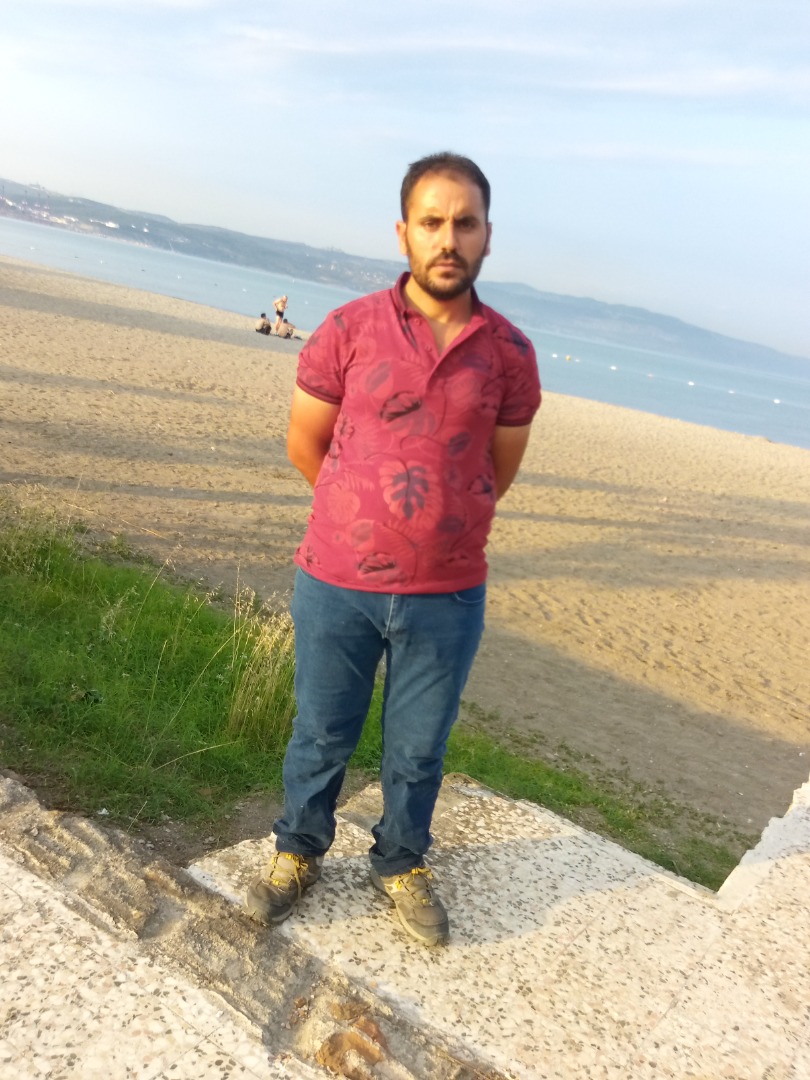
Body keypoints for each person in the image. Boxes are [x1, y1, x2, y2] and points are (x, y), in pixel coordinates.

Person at [246, 152, 541, 946]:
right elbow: (304, 442)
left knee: (419, 747)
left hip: (448, 593)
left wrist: (437, 528)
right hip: (335, 582)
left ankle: (400, 860)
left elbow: (497, 471)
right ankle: (298, 850)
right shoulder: (348, 329)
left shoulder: (509, 353)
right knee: (321, 730)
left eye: (465, 223)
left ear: (487, 236)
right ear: (404, 232)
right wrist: (358, 517)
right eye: (432, 222)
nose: (449, 238)